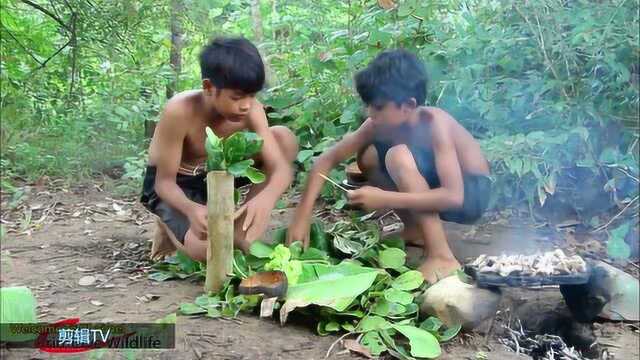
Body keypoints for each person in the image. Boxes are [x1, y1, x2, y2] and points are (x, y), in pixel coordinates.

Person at [287, 49, 491, 284]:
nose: (370, 113)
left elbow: (453, 197)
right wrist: (300, 218)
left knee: (397, 155)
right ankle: (415, 229)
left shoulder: (435, 123)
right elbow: (325, 160)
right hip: (436, 188)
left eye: (378, 107)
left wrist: (384, 198)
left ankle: (442, 257)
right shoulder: (376, 124)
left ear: (408, 105)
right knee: (369, 156)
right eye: (369, 106)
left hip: (471, 193)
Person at [141, 37, 298, 262]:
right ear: (208, 87)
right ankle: (170, 224)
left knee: (284, 139)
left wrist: (266, 198)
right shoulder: (180, 111)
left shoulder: (251, 110)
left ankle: (240, 226)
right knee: (209, 252)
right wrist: (190, 209)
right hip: (176, 186)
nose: (245, 105)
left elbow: (280, 168)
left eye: (251, 96)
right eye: (236, 97)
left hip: (219, 175)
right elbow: (163, 183)